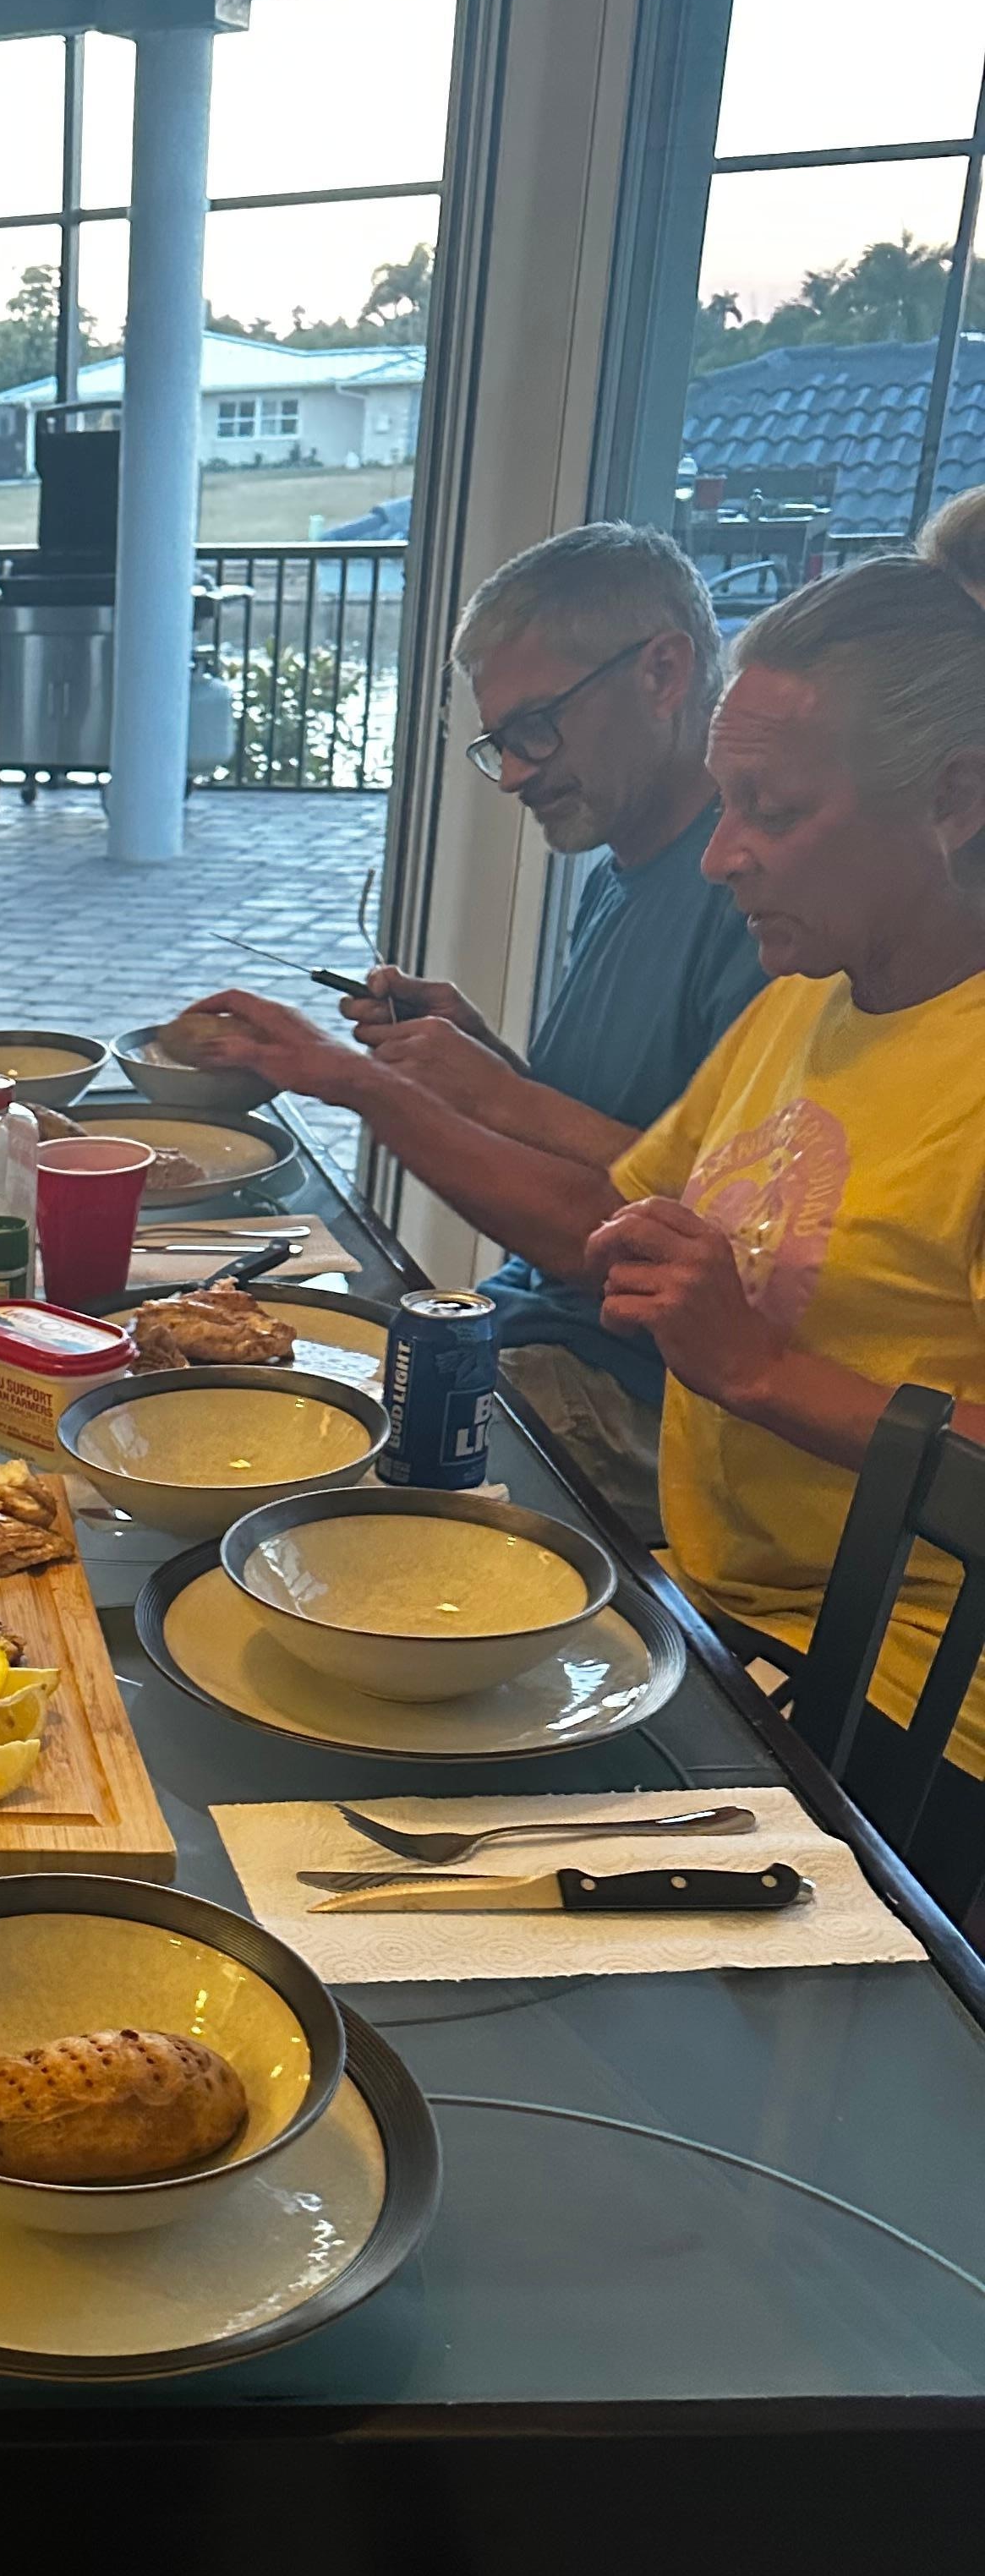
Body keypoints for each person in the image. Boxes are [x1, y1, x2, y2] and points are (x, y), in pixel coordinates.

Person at [184, 527, 985, 1913]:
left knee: (386, 1878)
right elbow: (617, 1211)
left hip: (904, 1700)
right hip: (713, 1604)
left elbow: (722, 1332)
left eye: (772, 811)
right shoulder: (812, 998)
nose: (721, 856)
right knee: (289, 1705)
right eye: (724, 805)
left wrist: (758, 1371)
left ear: (955, 798)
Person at [194, 525, 762, 1538]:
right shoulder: (622, 873)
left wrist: (367, 1086)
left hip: (631, 1394)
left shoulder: (755, 906)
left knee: (265, 1478)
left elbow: (635, 1241)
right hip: (529, 1324)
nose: (513, 775)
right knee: (210, 1367)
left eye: (536, 727)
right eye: (501, 741)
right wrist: (484, 1060)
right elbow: (618, 1136)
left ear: (663, 671)